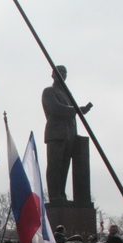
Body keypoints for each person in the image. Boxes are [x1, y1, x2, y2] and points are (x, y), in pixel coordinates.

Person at [42, 65, 92, 202]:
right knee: (55, 165)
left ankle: (61, 194)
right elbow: (56, 109)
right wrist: (77, 110)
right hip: (56, 134)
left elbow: (70, 111)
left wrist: (80, 110)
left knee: (64, 166)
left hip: (70, 135)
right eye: (60, 72)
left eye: (65, 72)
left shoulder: (67, 95)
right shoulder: (49, 91)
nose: (63, 74)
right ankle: (54, 195)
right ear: (53, 75)